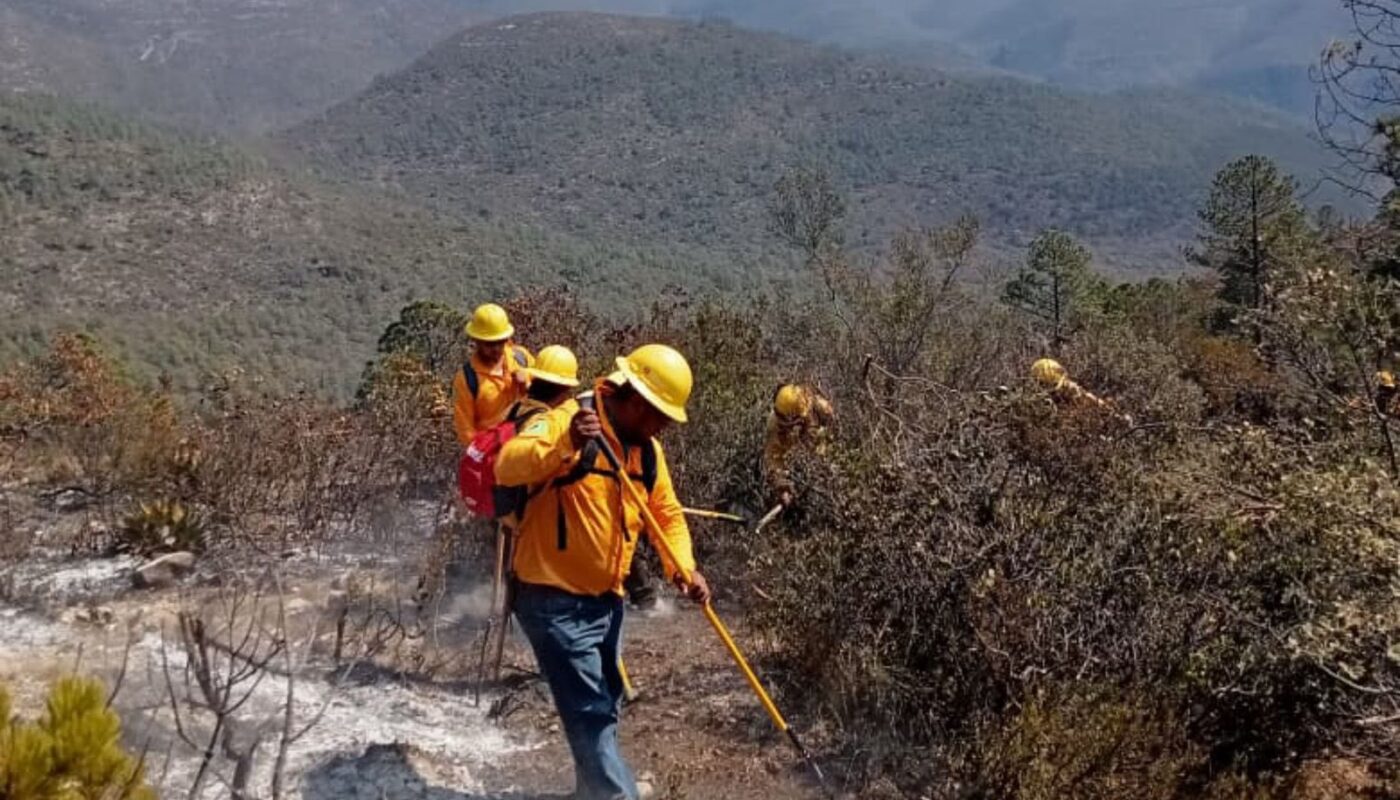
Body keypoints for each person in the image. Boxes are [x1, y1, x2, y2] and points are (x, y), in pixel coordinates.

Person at [494, 343, 710, 800]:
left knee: (603, 703)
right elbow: (507, 466)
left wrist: (684, 569)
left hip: (606, 603)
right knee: (590, 709)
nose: (664, 428)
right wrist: (568, 441)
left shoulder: (647, 451)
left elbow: (666, 514)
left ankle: (589, 791)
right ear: (634, 399)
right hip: (550, 600)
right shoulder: (569, 422)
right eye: (659, 416)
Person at [452, 303, 534, 448]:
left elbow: (545, 398)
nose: (496, 349)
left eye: (500, 342)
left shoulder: (521, 358)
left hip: (524, 448)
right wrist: (484, 453)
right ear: (476, 341)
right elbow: (465, 429)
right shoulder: (467, 379)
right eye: (489, 344)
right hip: (491, 453)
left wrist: (526, 385)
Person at [761, 383, 835, 508]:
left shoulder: (821, 408)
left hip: (818, 460)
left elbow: (832, 431)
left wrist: (822, 463)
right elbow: (773, 458)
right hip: (796, 465)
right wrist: (782, 486)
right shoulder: (775, 426)